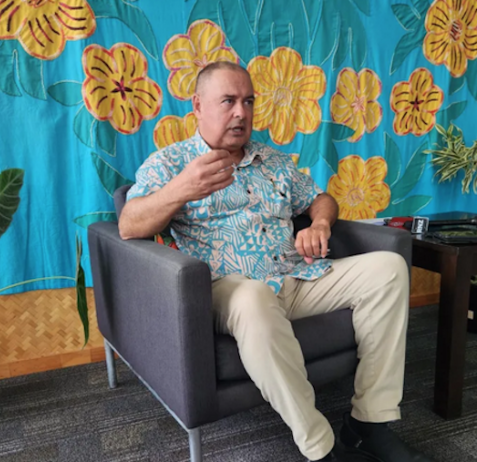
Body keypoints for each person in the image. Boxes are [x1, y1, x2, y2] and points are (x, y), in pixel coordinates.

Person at [118, 62, 433, 462]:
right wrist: (182, 188)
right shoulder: (169, 163)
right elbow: (129, 225)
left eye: (248, 101)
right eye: (228, 101)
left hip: (295, 275)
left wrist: (319, 222)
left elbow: (321, 198)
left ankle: (368, 425)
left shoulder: (274, 161)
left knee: (388, 269)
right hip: (226, 289)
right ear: (197, 105)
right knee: (252, 298)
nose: (241, 112)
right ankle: (322, 449)